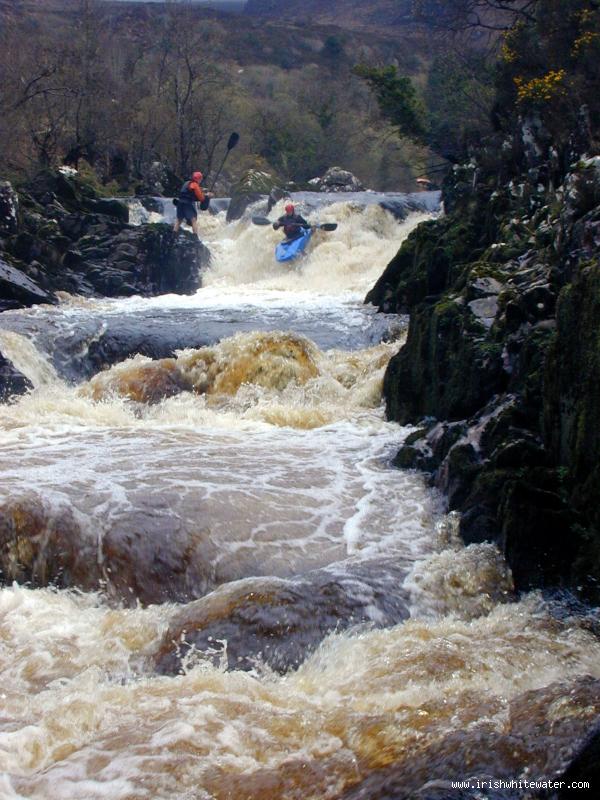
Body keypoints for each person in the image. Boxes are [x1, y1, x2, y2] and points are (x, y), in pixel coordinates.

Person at [173, 171, 213, 236]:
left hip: (180, 203)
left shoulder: (187, 183)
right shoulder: (195, 185)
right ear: (199, 179)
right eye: (200, 179)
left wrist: (202, 191)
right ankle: (195, 236)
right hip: (187, 204)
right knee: (193, 219)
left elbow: (191, 191)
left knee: (179, 220)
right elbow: (201, 198)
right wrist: (207, 196)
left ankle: (174, 234)